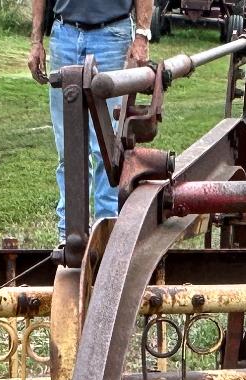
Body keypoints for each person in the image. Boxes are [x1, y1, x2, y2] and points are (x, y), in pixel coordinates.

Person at [29, 0, 154, 242]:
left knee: (107, 148)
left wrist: (141, 36)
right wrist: (36, 42)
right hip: (64, 34)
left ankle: (107, 233)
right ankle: (70, 235)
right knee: (68, 147)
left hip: (111, 35)